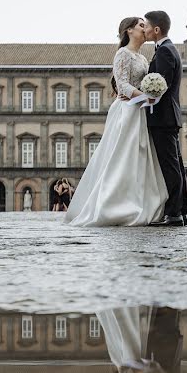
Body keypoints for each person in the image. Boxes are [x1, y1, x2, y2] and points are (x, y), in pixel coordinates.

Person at [65, 17, 168, 226]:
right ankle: (112, 206)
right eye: (141, 25)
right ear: (129, 30)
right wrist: (145, 97)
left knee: (138, 159)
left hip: (139, 110)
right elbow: (121, 86)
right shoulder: (122, 54)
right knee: (121, 157)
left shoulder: (142, 58)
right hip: (126, 111)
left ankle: (136, 202)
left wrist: (150, 96)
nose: (144, 28)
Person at [143, 10, 187, 227]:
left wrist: (142, 99)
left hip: (162, 118)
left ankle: (174, 214)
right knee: (176, 165)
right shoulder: (169, 49)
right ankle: (181, 212)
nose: (145, 30)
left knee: (170, 166)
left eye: (147, 26)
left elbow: (161, 88)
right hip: (169, 117)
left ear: (157, 29)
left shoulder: (165, 52)